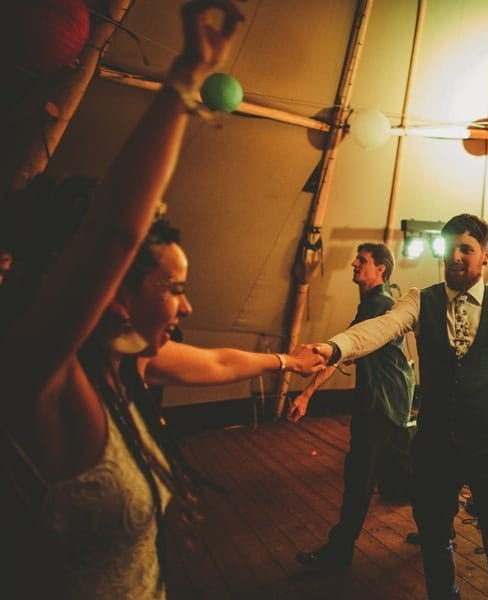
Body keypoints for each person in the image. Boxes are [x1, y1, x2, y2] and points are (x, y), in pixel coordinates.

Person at [1, 4, 320, 597]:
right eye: (173, 288)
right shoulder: (38, 375)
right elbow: (116, 232)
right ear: (115, 292)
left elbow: (218, 364)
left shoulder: (121, 359)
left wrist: (287, 362)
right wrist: (185, 78)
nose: (188, 306)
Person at [310, 214, 488, 600]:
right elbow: (380, 328)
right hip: (434, 446)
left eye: (466, 248)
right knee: (435, 544)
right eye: (448, 248)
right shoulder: (420, 300)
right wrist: (335, 348)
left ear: (484, 256)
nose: (455, 256)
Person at [290, 243, 416, 569]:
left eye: (363, 261)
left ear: (381, 270)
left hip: (380, 405)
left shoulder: (379, 305)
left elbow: (341, 351)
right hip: (393, 402)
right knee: (406, 472)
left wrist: (306, 394)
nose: (354, 264)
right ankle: (440, 528)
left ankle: (339, 551)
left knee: (360, 475)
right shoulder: (374, 304)